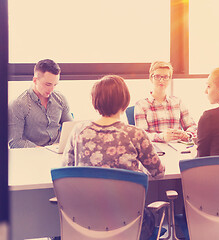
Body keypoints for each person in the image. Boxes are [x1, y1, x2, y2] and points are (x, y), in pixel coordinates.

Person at [63, 75, 165, 240]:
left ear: (95, 102)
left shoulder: (79, 132)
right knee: (150, 218)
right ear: (125, 101)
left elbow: (67, 171)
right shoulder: (136, 134)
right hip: (129, 221)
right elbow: (159, 173)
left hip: (87, 220)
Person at [8, 59, 73, 148]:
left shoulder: (60, 99)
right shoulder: (18, 104)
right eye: (48, 84)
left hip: (57, 152)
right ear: (35, 80)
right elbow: (15, 142)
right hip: (33, 155)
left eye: (55, 85)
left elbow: (70, 129)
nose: (52, 89)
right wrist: (43, 150)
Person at [134, 61, 197, 142]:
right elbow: (141, 135)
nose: (161, 80)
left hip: (178, 147)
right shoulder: (141, 105)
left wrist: (187, 134)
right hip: (155, 150)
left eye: (165, 77)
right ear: (151, 78)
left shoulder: (177, 102)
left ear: (169, 79)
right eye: (157, 76)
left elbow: (193, 126)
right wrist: (162, 137)